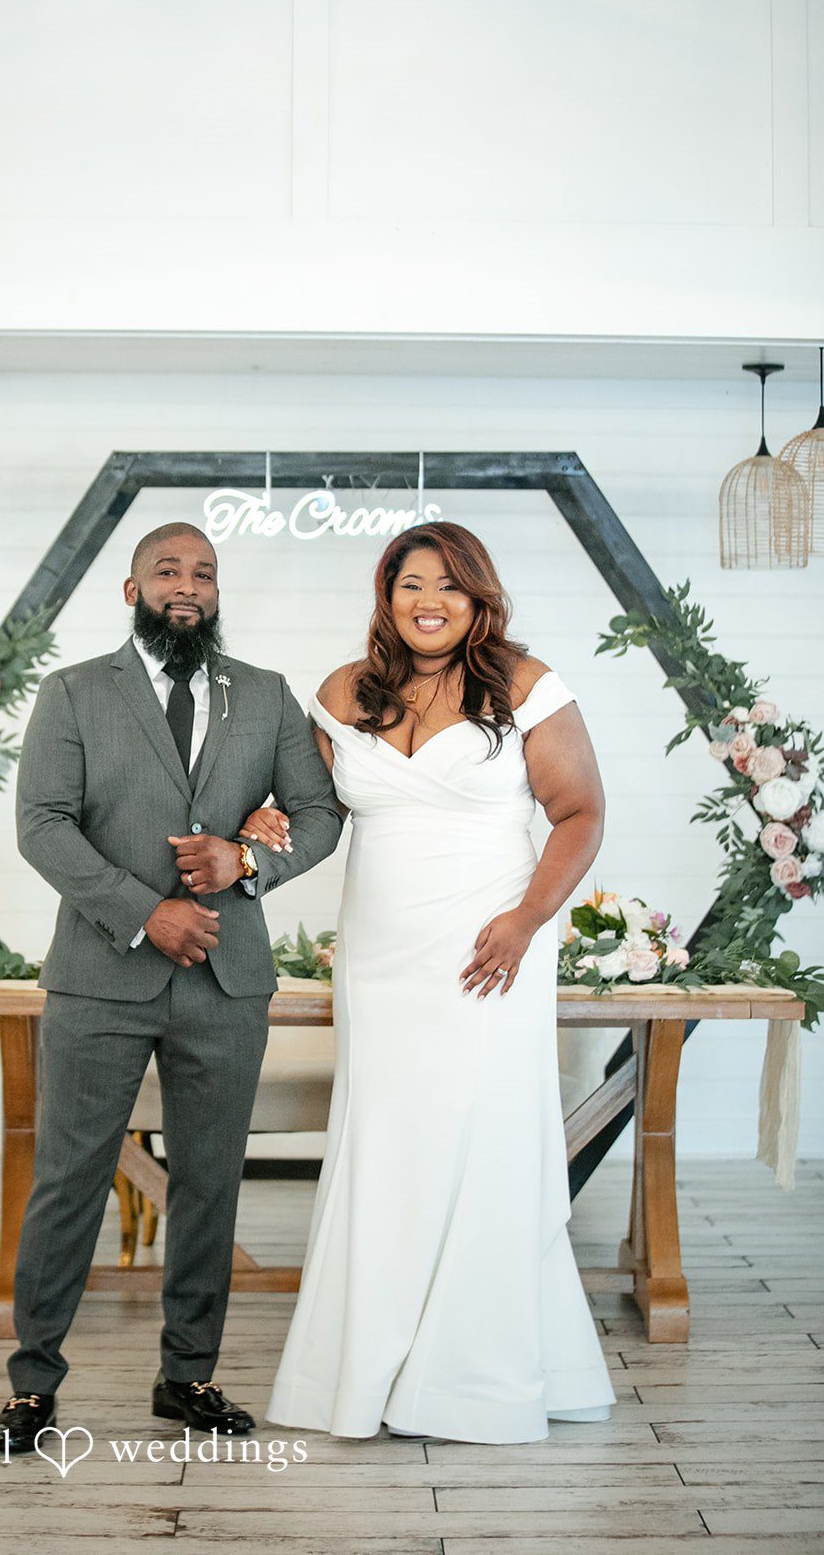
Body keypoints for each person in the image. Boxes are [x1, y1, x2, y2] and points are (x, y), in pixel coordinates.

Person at [250, 521, 616, 1443]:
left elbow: (578, 812)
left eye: (449, 586)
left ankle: (473, 1372)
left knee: (484, 1140)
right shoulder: (342, 692)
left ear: (478, 597)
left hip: (490, 948)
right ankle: (368, 1363)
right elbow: (313, 812)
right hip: (380, 957)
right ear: (387, 594)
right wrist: (258, 824)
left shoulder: (526, 686)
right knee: (387, 1142)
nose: (429, 602)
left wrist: (527, 922)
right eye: (411, 583)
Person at [0, 522, 343, 1454]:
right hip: (100, 980)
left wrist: (246, 863)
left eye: (203, 573)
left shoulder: (264, 696)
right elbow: (42, 824)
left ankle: (187, 1377)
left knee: (209, 1184)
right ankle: (33, 1385)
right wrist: (148, 912)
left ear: (216, 593)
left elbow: (318, 814)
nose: (186, 586)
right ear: (130, 589)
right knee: (68, 1179)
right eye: (166, 571)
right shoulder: (71, 693)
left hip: (227, 982)